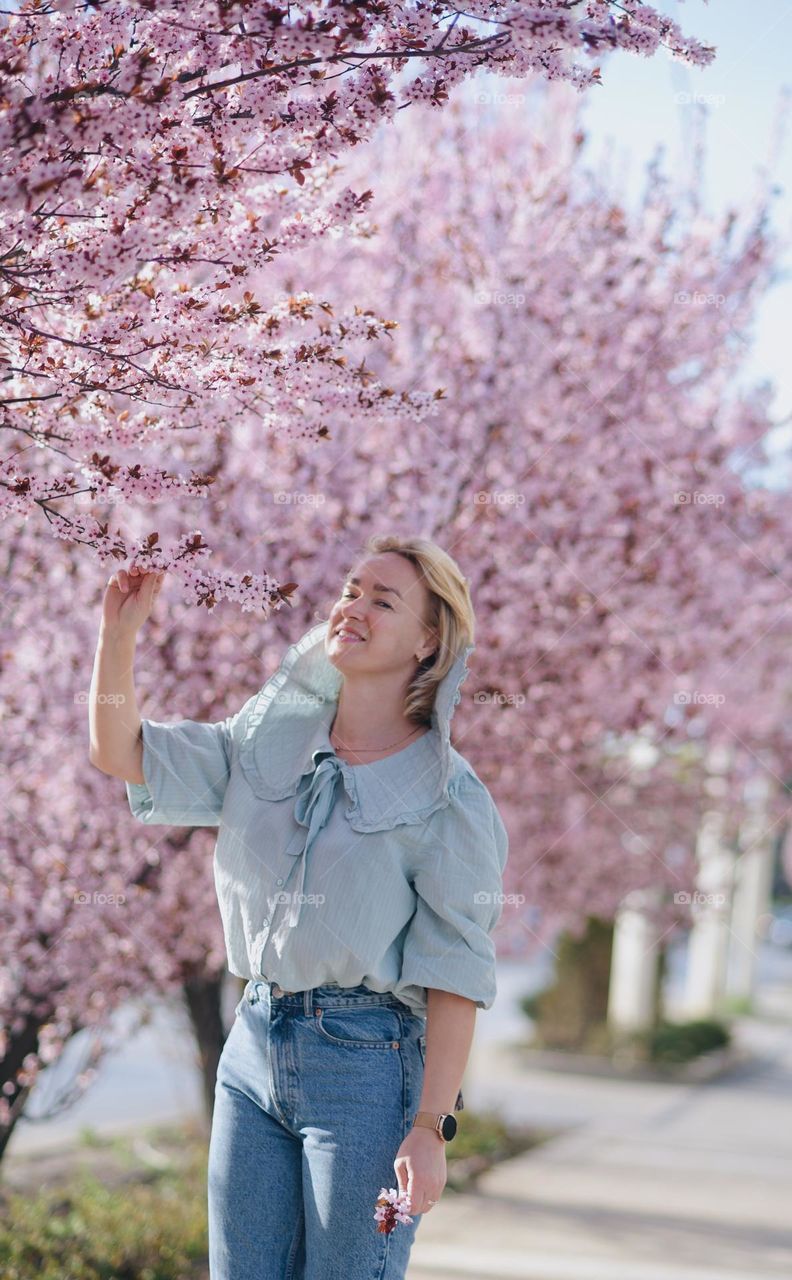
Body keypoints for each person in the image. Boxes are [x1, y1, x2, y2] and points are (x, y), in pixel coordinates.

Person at [89, 533, 509, 1280]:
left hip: (368, 1069)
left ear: (428, 640)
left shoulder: (447, 796)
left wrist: (430, 1129)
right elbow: (123, 752)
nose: (354, 607)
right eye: (351, 589)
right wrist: (117, 635)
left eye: (384, 600)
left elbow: (455, 973)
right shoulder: (266, 740)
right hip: (251, 1046)